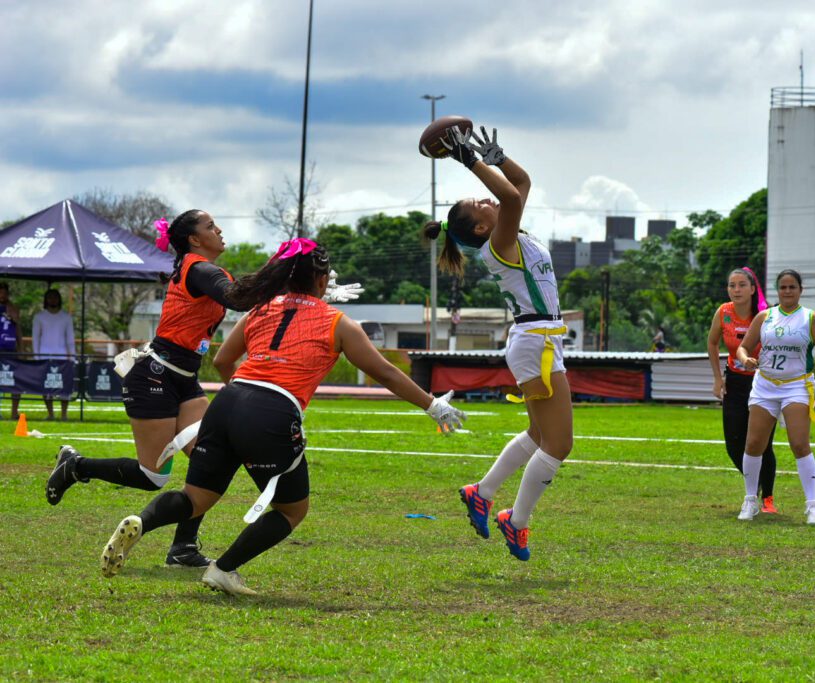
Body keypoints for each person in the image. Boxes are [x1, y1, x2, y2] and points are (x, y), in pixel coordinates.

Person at [97, 240, 465, 595]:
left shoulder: (261, 309)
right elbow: (385, 373)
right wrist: (433, 405)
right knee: (291, 509)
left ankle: (142, 521)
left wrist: (242, 401)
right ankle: (223, 570)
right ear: (323, 281)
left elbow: (224, 360)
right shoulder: (338, 322)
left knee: (195, 497)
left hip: (227, 402)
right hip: (271, 410)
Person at [45, 210, 246, 569]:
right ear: (195, 240)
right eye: (210, 227)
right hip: (154, 375)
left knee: (209, 461)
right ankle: (76, 466)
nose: (219, 230)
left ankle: (183, 548)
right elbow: (236, 297)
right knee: (153, 476)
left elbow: (238, 294)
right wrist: (288, 277)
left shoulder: (202, 268)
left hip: (182, 377)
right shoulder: (198, 268)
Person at [424, 124, 571, 562]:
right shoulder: (500, 242)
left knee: (538, 433)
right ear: (484, 225)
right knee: (558, 445)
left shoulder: (506, 234)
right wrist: (470, 161)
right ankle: (517, 521)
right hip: (536, 341)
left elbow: (519, 186)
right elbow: (508, 197)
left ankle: (482, 492)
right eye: (480, 203)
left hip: (538, 339)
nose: (489, 199)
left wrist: (497, 157)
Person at [735, 269, 815, 525]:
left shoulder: (810, 319)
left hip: (796, 386)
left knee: (799, 444)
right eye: (783, 287)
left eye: (792, 287)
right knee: (753, 444)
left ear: (800, 290)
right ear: (777, 290)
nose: (787, 291)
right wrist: (744, 359)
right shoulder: (764, 317)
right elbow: (743, 347)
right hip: (765, 385)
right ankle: (750, 499)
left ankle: (812, 505)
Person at [707, 267, 778, 514]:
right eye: (731, 285)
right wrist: (718, 378)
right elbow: (712, 342)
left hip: (763, 384)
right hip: (735, 382)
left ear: (752, 289)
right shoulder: (724, 312)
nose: (735, 290)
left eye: (741, 285)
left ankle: (767, 498)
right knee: (733, 443)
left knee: (762, 443)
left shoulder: (765, 315)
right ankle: (754, 484)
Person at [32, 289, 76, 420]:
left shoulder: (66, 317)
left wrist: (72, 357)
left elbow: (70, 339)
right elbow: (36, 338)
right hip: (45, 356)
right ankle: (50, 413)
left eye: (55, 297)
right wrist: (37, 357)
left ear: (59, 299)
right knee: (46, 387)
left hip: (62, 357)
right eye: (50, 298)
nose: (53, 300)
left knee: (64, 386)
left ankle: (64, 414)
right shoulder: (39, 317)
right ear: (46, 300)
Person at [0, 281, 24, 419]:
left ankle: (14, 411)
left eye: (5, 293)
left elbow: (18, 327)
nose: (2, 295)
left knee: (15, 379)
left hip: (10, 349)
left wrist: (21, 348)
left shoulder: (13, 307)